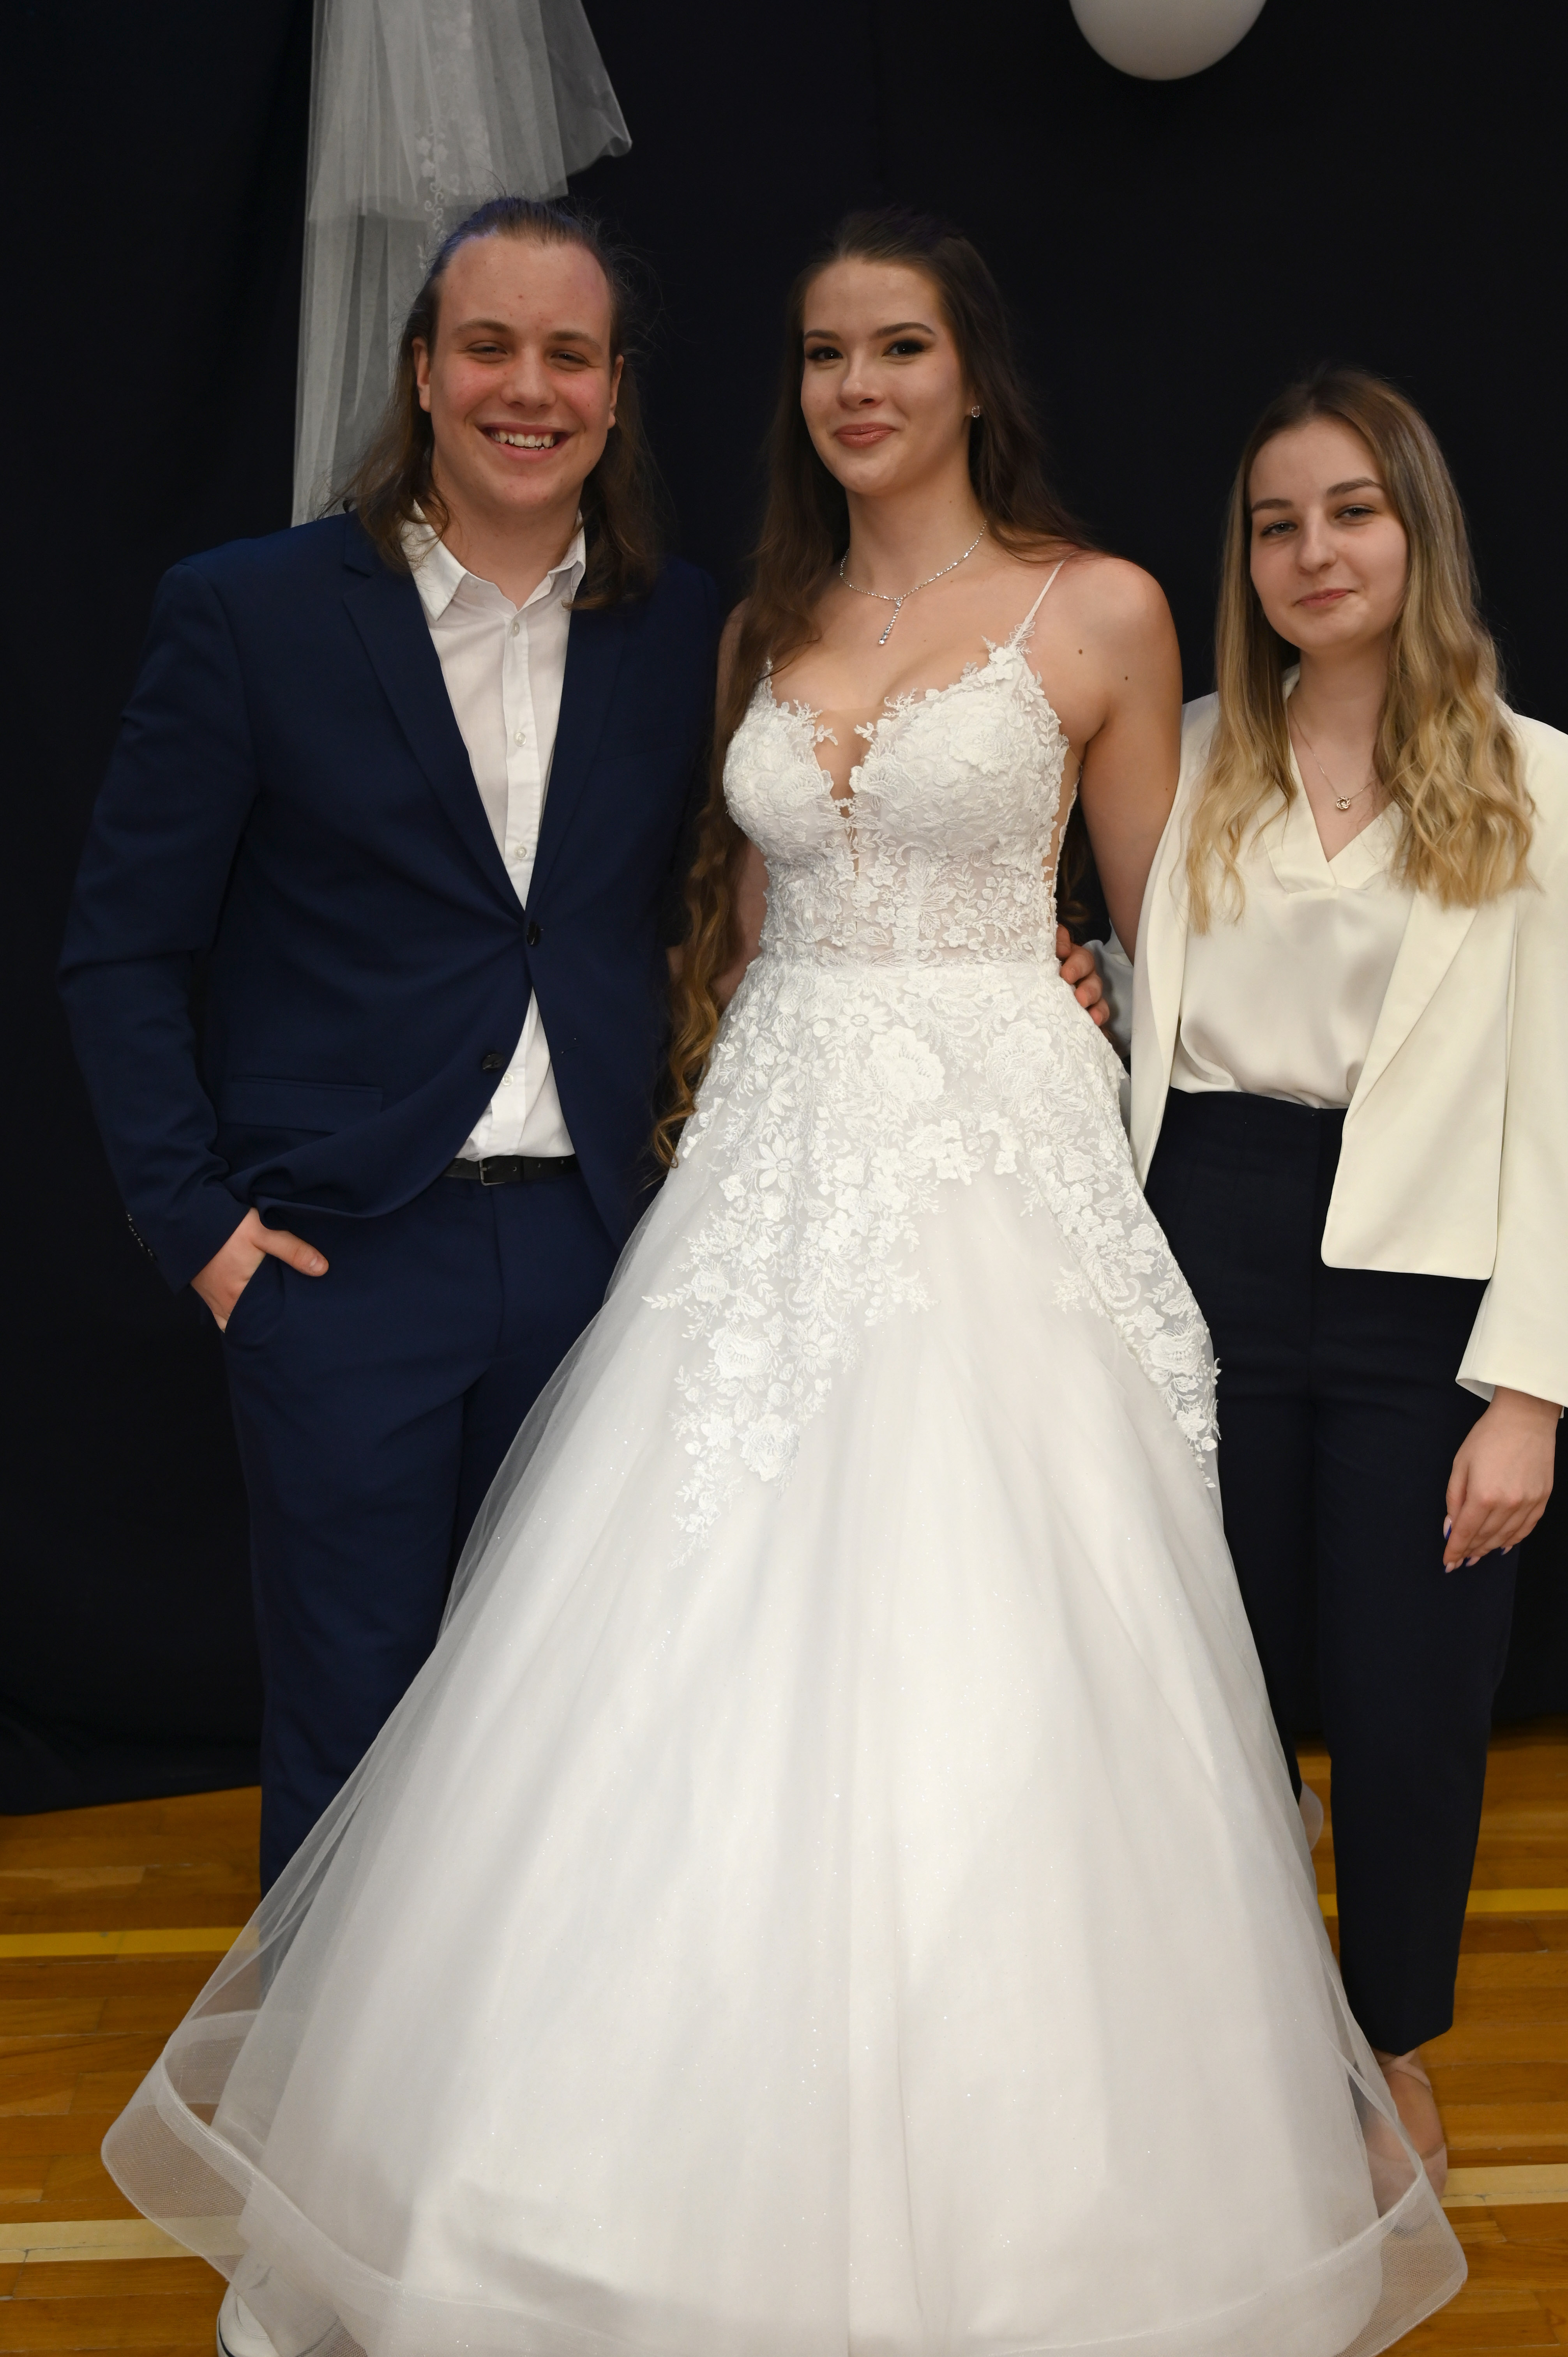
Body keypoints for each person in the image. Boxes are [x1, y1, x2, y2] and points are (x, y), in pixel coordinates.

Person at [103, 215, 1461, 2357]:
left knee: (989, 1648)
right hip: (762, 1178)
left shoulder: (1099, 609)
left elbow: (1171, 946)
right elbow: (718, 920)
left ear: (969, 372)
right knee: (663, 1650)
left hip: (996, 1179)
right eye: (826, 353)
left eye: (898, 347)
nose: (858, 387)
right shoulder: (752, 625)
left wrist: (1111, 1007)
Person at [1132, 367, 1567, 2195]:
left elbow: (1557, 1102)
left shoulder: (1536, 779)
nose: (1312, 552)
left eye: (1350, 511)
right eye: (1275, 523)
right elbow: (1123, 997)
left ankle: (1388, 2046)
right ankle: (1232, 2045)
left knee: (1407, 1702)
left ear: (1415, 532)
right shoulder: (1182, 753)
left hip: (1420, 1288)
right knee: (1202, 1683)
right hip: (1197, 1245)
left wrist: (1529, 1392)